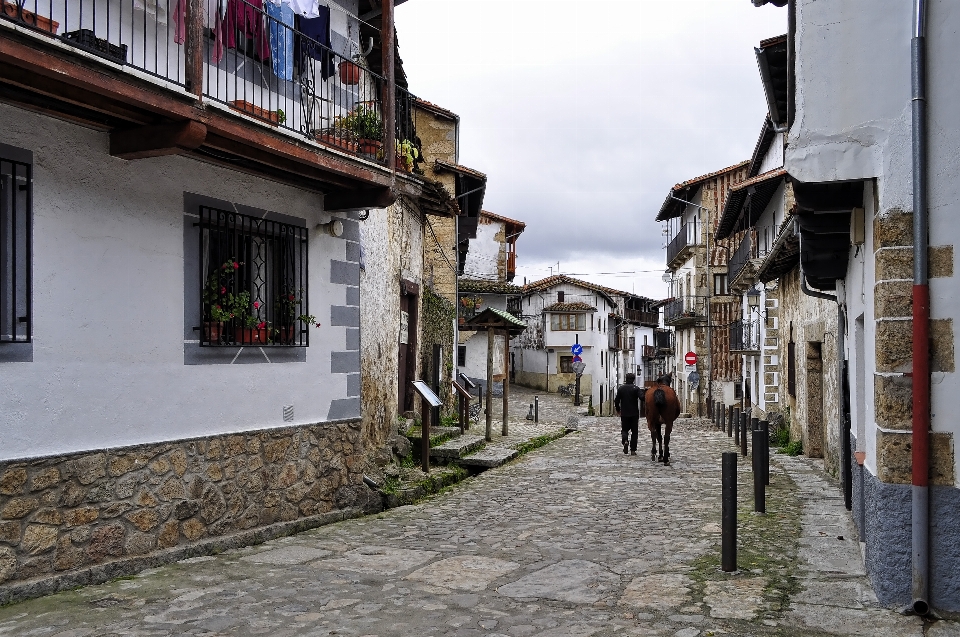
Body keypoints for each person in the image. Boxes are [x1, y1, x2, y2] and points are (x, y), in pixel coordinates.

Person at [615, 372, 644, 455]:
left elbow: (617, 400)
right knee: (634, 432)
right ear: (634, 379)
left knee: (624, 430)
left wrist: (618, 409)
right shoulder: (636, 388)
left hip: (624, 413)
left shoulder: (621, 388)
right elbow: (642, 398)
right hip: (634, 413)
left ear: (625, 379)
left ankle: (625, 441)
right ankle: (633, 450)